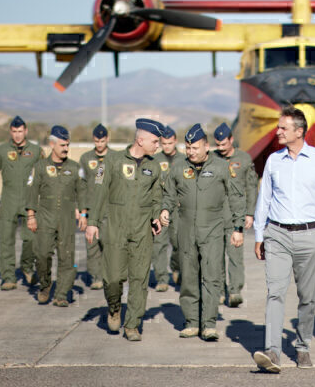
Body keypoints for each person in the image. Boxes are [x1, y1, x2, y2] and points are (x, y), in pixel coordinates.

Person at [252, 106, 315, 373]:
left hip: (309, 236)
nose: (277, 131)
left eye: (283, 128)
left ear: (299, 131)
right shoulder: (273, 161)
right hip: (277, 235)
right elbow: (264, 199)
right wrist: (260, 234)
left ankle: (302, 347)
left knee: (307, 297)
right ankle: (273, 352)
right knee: (275, 293)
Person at [160, 124, 245, 341]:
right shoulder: (179, 167)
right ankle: (191, 322)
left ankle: (208, 324)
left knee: (212, 277)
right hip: (186, 228)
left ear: (206, 146)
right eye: (188, 147)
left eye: (195, 147)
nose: (191, 152)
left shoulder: (221, 167)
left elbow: (236, 196)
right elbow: (169, 194)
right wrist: (164, 210)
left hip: (213, 228)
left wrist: (238, 228)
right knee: (188, 277)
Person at [85, 118, 164, 341]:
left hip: (141, 232)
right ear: (140, 140)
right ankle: (113, 308)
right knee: (112, 279)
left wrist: (157, 216)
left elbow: (157, 197)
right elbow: (98, 191)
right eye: (154, 141)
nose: (157, 145)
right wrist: (92, 222)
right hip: (115, 230)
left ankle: (132, 325)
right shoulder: (111, 161)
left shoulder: (154, 166)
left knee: (139, 280)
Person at [26, 126, 87, 306]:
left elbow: (82, 192)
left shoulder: (75, 168)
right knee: (42, 254)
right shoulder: (39, 167)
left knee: (67, 257)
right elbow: (31, 192)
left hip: (67, 218)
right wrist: (31, 216)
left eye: (67, 145)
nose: (66, 149)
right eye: (62, 145)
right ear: (52, 144)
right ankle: (45, 285)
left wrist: (83, 213)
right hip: (45, 217)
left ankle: (61, 294)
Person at [0, 115, 44, 290]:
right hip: (9, 200)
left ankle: (27, 267)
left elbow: (43, 176)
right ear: (10, 132)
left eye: (20, 131)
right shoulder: (1, 150)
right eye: (14, 131)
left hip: (29, 202)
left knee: (31, 239)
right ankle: (8, 277)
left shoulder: (35, 150)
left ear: (25, 131)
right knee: (6, 241)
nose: (17, 135)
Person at [213, 122, 258, 307]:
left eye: (224, 144)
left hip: (235, 214)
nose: (221, 148)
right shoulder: (212, 159)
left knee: (234, 255)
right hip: (215, 215)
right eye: (218, 145)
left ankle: (235, 290)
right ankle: (219, 291)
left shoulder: (244, 159)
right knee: (215, 257)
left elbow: (251, 187)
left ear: (231, 140)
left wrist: (250, 213)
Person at [79, 123, 112, 290]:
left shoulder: (115, 157)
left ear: (107, 139)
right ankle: (95, 277)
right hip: (92, 209)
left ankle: (109, 275)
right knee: (91, 246)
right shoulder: (86, 159)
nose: (100, 144)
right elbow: (82, 185)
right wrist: (82, 212)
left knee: (109, 244)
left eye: (103, 141)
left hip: (109, 209)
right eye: (97, 141)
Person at [152, 124, 184, 292]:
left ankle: (176, 267)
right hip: (159, 207)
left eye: (170, 143)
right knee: (159, 243)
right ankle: (162, 278)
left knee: (178, 243)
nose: (167, 147)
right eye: (163, 143)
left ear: (175, 141)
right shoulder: (155, 160)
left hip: (178, 208)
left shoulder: (184, 160)